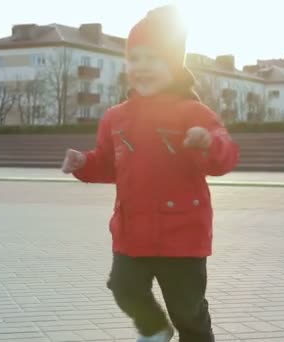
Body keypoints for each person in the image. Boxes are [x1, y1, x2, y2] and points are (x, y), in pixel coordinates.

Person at [61, 5, 239, 342]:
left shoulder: (192, 111)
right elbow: (108, 163)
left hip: (182, 234)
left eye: (153, 59)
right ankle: (156, 328)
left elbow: (225, 154)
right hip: (132, 231)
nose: (142, 68)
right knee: (122, 286)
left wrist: (206, 143)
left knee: (188, 310)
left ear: (173, 65)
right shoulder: (116, 117)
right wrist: (84, 163)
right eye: (135, 59)